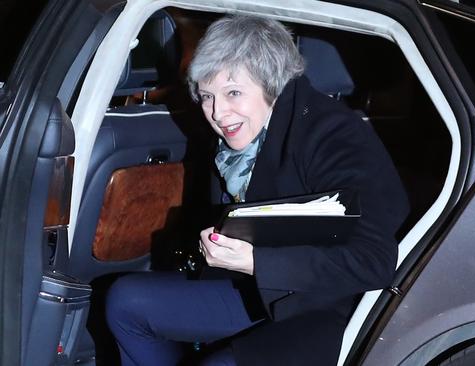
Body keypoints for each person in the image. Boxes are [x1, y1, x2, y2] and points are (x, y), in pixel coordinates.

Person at [105, 15, 409, 366]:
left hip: (325, 304)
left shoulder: (332, 133)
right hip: (256, 290)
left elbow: (374, 262)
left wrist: (255, 260)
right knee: (126, 303)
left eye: (233, 92)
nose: (218, 112)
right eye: (207, 96)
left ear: (272, 84)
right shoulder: (238, 142)